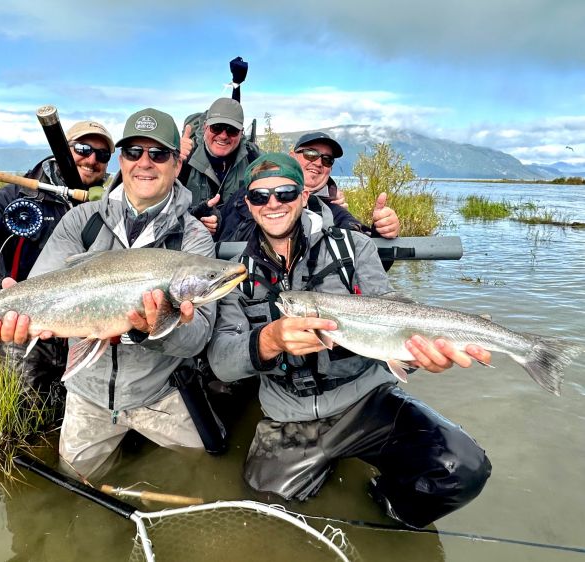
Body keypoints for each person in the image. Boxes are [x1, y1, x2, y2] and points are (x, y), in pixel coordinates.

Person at [207, 152, 492, 529]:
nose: (273, 204)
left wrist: (416, 357)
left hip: (366, 402)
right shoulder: (236, 275)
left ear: (304, 196)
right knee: (266, 510)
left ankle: (389, 505)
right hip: (287, 414)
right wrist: (269, 340)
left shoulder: (355, 247)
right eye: (260, 197)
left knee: (463, 469)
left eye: (285, 193)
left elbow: (393, 322)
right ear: (248, 204)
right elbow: (221, 362)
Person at [0, 108, 216, 477]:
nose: (145, 163)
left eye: (158, 154)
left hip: (158, 393)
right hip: (87, 394)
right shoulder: (81, 220)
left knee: (206, 471)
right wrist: (15, 310)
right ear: (121, 161)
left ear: (177, 164)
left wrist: (153, 330)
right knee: (77, 483)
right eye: (133, 152)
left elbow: (198, 338)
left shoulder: (194, 239)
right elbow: (41, 289)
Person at [0, 121, 115, 391]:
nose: (92, 159)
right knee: (12, 418)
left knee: (64, 420)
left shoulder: (112, 208)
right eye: (83, 149)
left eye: (102, 155)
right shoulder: (13, 198)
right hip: (16, 329)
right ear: (62, 151)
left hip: (82, 331)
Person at [216, 131, 400, 242]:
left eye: (327, 159)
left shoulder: (335, 211)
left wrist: (382, 231)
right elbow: (218, 233)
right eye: (311, 154)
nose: (318, 162)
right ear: (292, 156)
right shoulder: (245, 193)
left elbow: (368, 259)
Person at [178, 97, 262, 236]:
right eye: (216, 127)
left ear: (241, 133)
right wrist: (169, 161)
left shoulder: (253, 158)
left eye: (232, 130)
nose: (223, 135)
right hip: (189, 244)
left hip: (237, 245)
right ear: (205, 127)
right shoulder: (184, 158)